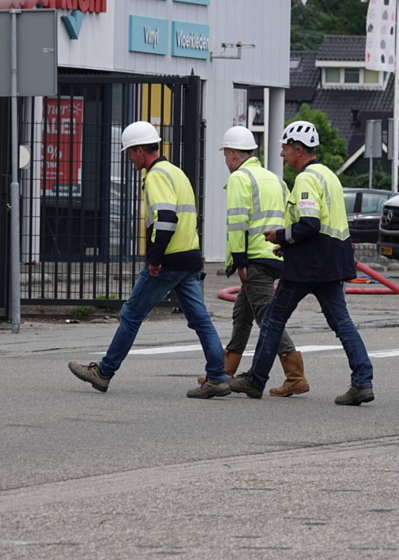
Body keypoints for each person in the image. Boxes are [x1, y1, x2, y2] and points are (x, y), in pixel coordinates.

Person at [69, 121, 229, 399]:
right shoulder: (177, 173)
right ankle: (216, 377)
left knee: (131, 314)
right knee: (201, 320)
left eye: (130, 152)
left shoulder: (156, 175)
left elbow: (166, 220)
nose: (129, 158)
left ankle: (103, 373)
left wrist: (155, 260)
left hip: (168, 260)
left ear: (141, 150)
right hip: (190, 258)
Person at [228, 120, 374, 405]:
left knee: (272, 320)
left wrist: (280, 235)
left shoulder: (306, 179)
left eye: (284, 149)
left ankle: (256, 380)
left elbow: (309, 223)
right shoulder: (328, 175)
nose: (282, 155)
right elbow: (319, 226)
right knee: (341, 322)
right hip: (330, 260)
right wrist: (288, 244)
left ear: (298, 149)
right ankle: (362, 381)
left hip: (310, 265)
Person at [202, 125, 310, 397]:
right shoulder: (274, 178)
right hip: (275, 254)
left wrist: (240, 261)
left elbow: (238, 222)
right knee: (242, 314)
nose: (226, 162)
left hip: (255, 259)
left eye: (225, 156)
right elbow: (290, 216)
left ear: (232, 154)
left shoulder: (241, 178)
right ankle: (224, 372)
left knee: (268, 318)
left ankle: (295, 376)